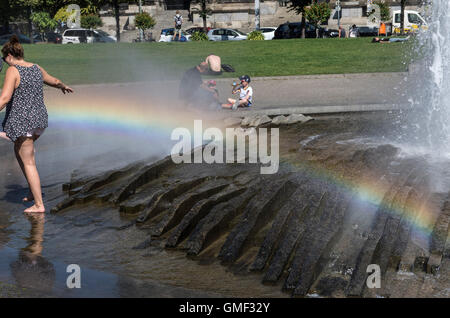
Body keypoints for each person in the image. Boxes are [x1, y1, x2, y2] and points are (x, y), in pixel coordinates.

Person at [0, 35, 74, 213]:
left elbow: (4, 98)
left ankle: (39, 205)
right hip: (39, 120)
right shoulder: (36, 67)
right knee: (19, 152)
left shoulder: (13, 70)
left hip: (24, 122)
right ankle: (34, 193)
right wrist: (63, 86)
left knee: (29, 161)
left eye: (4, 58)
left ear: (10, 55)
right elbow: (54, 81)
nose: (5, 62)